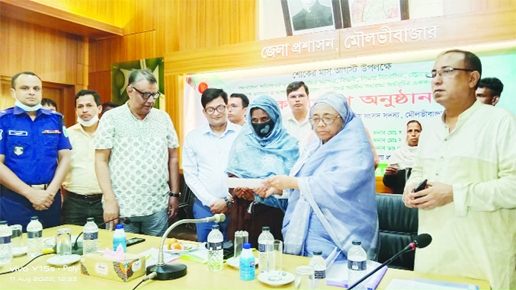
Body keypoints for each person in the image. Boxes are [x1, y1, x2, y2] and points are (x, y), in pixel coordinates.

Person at [403, 49, 516, 289]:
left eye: (447, 72)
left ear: (472, 78)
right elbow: (418, 172)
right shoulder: (430, 128)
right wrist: (411, 188)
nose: (436, 79)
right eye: (433, 73)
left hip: (481, 258)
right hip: (432, 255)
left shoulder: (501, 122)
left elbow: (513, 187)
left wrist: (455, 193)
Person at [263, 92, 379, 261]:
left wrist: (292, 182)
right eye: (315, 119)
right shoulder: (314, 145)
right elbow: (302, 179)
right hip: (306, 223)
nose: (321, 124)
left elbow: (342, 183)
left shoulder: (355, 146)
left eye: (328, 118)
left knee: (333, 280)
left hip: (339, 228)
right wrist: (282, 189)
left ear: (343, 119)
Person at [95, 69, 180, 236]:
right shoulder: (111, 118)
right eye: (145, 95)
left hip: (157, 207)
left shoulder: (162, 118)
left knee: (156, 258)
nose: (150, 101)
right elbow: (100, 161)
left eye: (154, 95)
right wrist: (109, 200)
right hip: (122, 207)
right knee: (122, 258)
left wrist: (174, 194)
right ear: (130, 91)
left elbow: (174, 158)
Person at [0, 71, 72, 229]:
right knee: (17, 249)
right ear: (13, 92)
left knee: (50, 249)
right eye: (25, 88)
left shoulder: (55, 119)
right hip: (14, 200)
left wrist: (51, 193)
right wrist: (30, 193)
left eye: (36, 88)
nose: (31, 92)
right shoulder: (3, 120)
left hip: (49, 200)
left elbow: (65, 158)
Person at [225, 95, 299, 247]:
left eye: (265, 119)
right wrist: (238, 190)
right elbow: (233, 174)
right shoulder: (243, 141)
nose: (259, 124)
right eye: (255, 120)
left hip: (272, 217)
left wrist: (269, 192)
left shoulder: (290, 146)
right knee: (238, 261)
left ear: (275, 117)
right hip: (242, 213)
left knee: (270, 262)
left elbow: (294, 188)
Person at [182, 88, 241, 242]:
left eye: (220, 107)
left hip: (235, 205)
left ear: (227, 107)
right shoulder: (193, 137)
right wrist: (210, 201)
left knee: (234, 252)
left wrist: (228, 200)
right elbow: (190, 175)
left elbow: (245, 171)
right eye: (211, 109)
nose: (216, 113)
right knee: (206, 253)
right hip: (205, 207)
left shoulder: (242, 134)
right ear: (204, 111)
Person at [61, 90, 104, 226]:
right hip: (74, 201)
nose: (84, 110)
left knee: (105, 243)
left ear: (99, 108)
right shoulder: (67, 134)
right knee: (73, 242)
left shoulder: (109, 133)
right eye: (80, 106)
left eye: (89, 105)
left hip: (103, 200)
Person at [383, 120, 422, 194]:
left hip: (423, 200)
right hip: (400, 199)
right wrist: (389, 175)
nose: (413, 134)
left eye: (417, 131)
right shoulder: (398, 154)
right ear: (405, 134)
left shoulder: (427, 154)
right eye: (410, 131)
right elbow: (389, 184)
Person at [283, 81, 312, 151]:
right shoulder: (282, 123)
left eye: (301, 96)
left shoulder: (317, 120)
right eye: (293, 97)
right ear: (287, 100)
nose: (297, 100)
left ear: (307, 97)